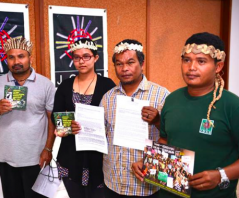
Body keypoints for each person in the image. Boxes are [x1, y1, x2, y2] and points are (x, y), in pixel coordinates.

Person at [158, 32, 239, 198]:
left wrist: (221, 175)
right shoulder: (172, 99)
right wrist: (150, 164)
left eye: (201, 61)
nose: (191, 67)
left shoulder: (231, 105)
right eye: (186, 60)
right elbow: (165, 140)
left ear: (218, 67)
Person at [0, 37, 55, 198]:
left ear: (30, 58)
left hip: (36, 159)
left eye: (21, 56)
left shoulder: (46, 84)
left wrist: (48, 149)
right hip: (6, 159)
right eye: (11, 57)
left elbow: (51, 119)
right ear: (6, 60)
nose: (16, 61)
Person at [100, 39, 170, 198]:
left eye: (130, 62)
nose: (124, 68)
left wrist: (158, 121)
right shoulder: (108, 98)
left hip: (146, 185)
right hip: (113, 181)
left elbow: (174, 137)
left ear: (142, 63)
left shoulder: (161, 95)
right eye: (119, 64)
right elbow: (102, 134)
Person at [52, 38, 116, 198]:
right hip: (70, 155)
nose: (81, 61)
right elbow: (56, 116)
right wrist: (66, 127)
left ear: (96, 58)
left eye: (86, 56)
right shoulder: (65, 86)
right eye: (76, 57)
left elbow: (114, 117)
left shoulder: (107, 85)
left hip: (98, 157)